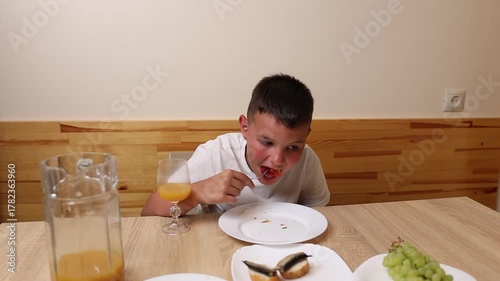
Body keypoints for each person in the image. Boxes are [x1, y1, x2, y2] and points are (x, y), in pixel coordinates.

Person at [141, 73, 330, 216]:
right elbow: (149, 212)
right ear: (245, 128)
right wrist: (197, 192)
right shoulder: (215, 155)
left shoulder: (308, 161)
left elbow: (318, 214)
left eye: (293, 147)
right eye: (267, 142)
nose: (278, 160)